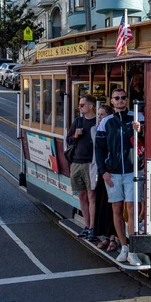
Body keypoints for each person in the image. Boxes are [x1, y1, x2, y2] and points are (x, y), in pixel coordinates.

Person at [95, 88, 143, 266]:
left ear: (127, 100)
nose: (121, 100)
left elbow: (149, 139)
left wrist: (141, 129)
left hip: (132, 171)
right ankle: (123, 246)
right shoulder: (106, 122)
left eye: (123, 97)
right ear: (112, 102)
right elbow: (99, 149)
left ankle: (132, 250)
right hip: (113, 173)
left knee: (131, 210)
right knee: (116, 209)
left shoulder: (138, 117)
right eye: (117, 98)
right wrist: (103, 171)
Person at [66, 94, 97, 241]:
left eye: (82, 105)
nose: (79, 107)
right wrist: (75, 136)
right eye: (79, 105)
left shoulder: (97, 122)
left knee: (92, 195)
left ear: (90, 107)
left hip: (91, 164)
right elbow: (68, 139)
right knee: (82, 195)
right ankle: (86, 225)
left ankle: (93, 227)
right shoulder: (78, 121)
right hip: (77, 163)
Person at [91, 105, 118, 252]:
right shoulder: (96, 129)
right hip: (102, 172)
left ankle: (112, 238)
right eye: (98, 115)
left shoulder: (111, 128)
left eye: (103, 115)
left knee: (112, 206)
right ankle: (105, 236)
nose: (100, 117)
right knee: (102, 204)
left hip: (112, 171)